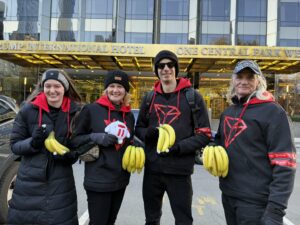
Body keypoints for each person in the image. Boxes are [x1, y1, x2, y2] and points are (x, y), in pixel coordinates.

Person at [213, 60, 296, 225]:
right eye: (239, 77)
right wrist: (211, 146)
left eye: (250, 77)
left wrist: (275, 210)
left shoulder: (273, 112)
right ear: (233, 80)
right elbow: (222, 143)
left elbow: (285, 163)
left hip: (256, 203)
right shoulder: (228, 112)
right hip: (229, 196)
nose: (244, 81)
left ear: (259, 82)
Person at [135, 50, 211, 225]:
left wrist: (179, 147)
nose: (166, 69)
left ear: (176, 69)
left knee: (183, 220)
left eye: (170, 65)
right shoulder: (149, 98)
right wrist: (149, 133)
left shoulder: (193, 97)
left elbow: (204, 134)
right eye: (161, 66)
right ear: (157, 70)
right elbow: (139, 128)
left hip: (180, 171)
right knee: (151, 219)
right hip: (153, 170)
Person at [7, 69, 82, 225]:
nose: (52, 90)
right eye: (48, 86)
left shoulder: (75, 113)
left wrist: (72, 155)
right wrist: (32, 143)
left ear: (65, 88)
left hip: (61, 184)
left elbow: (79, 143)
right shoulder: (28, 110)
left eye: (57, 86)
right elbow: (15, 145)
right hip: (29, 184)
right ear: (42, 87)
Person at [70, 70, 136, 225]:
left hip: (121, 179)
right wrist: (96, 137)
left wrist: (134, 144)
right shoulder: (91, 110)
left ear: (125, 91)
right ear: (106, 89)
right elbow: (74, 140)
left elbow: (128, 140)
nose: (115, 90)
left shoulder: (129, 115)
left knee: (111, 221)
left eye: (120, 87)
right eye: (112, 86)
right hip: (98, 179)